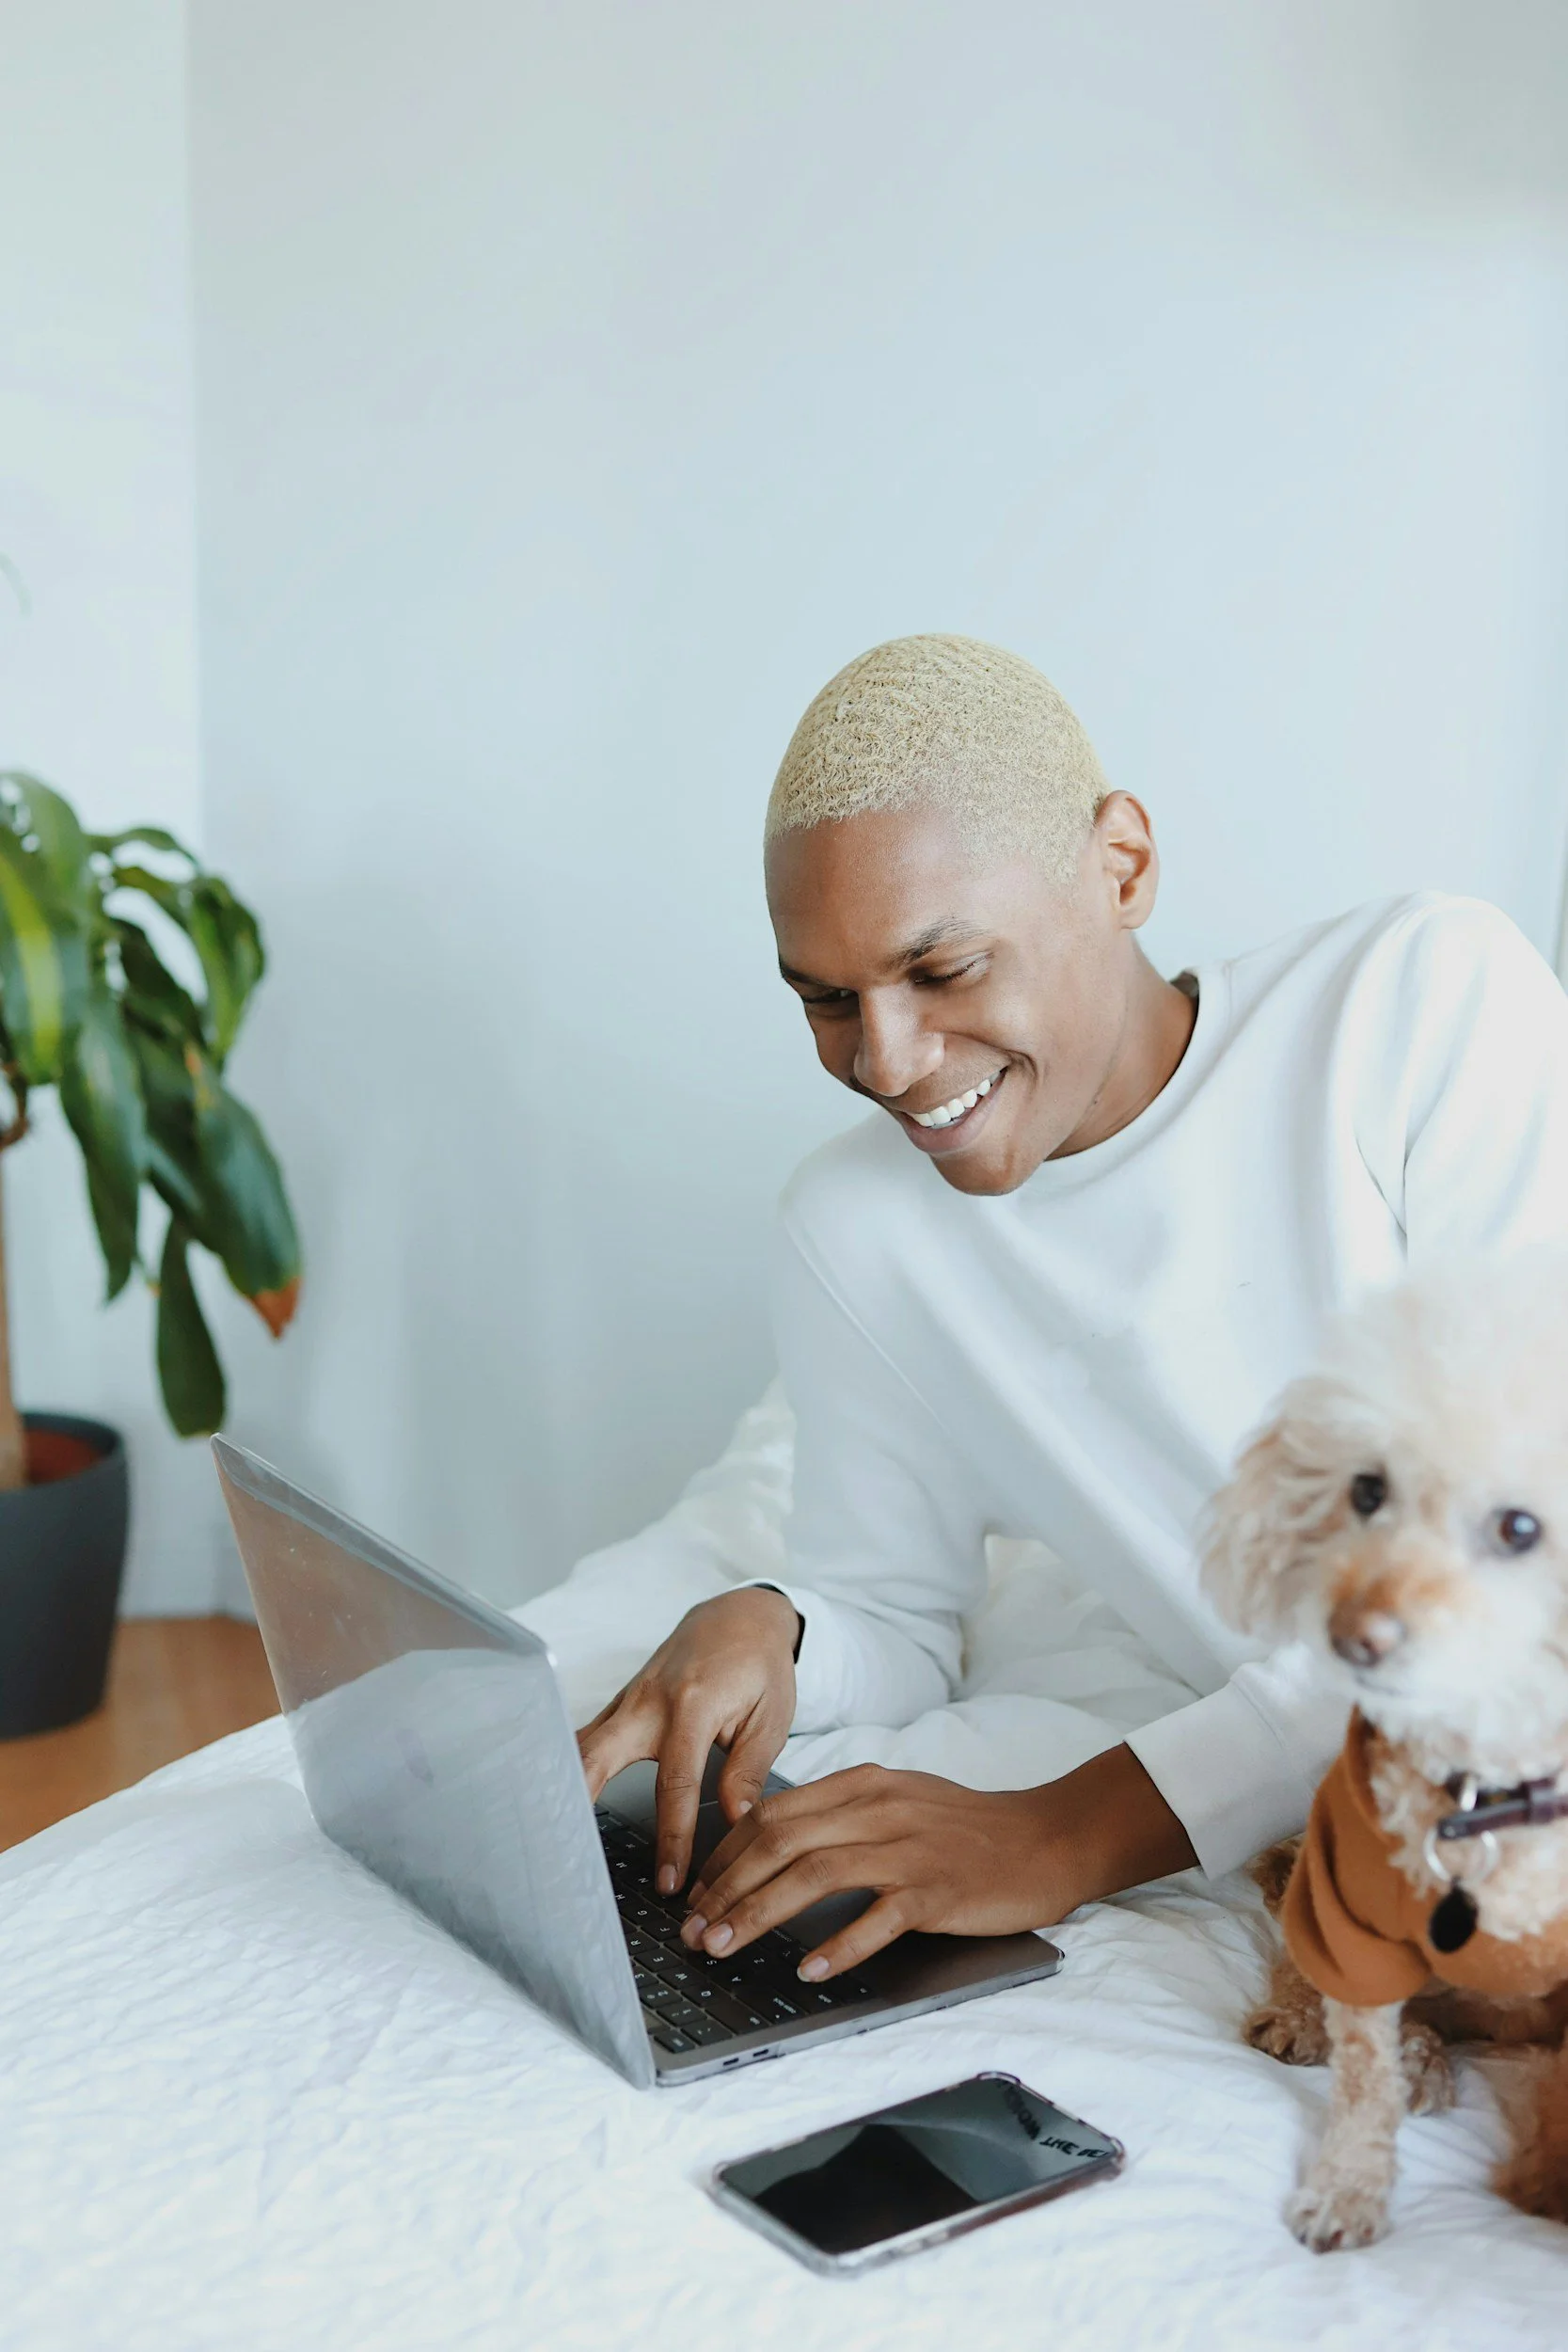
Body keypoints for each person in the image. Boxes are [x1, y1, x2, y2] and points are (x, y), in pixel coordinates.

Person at [571, 632, 1568, 1988]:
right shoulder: (851, 1226)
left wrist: (1060, 1834)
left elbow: (1524, 1597)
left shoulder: (1417, 1002)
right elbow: (897, 1610)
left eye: (942, 971)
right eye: (823, 1000)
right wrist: (775, 1624)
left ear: (1120, 866)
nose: (886, 1062)